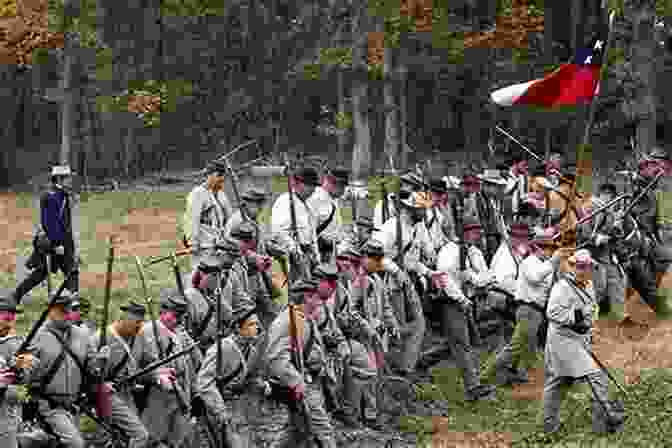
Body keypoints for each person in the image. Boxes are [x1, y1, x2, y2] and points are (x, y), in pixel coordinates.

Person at [542, 249, 626, 434]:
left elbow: (592, 308)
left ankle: (549, 427)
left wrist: (588, 328)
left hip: (578, 340)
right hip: (563, 341)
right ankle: (608, 419)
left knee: (559, 383)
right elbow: (552, 313)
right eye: (579, 267)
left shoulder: (588, 285)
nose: (583, 271)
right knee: (596, 377)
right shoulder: (562, 287)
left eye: (586, 267)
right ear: (571, 267)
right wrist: (577, 317)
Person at [483, 227, 566, 386]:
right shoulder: (529, 263)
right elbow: (535, 278)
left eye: (552, 249)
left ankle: (510, 375)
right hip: (526, 309)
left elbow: (549, 286)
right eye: (548, 248)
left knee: (523, 348)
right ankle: (484, 377)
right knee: (514, 348)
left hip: (536, 311)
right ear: (538, 248)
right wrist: (552, 262)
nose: (550, 252)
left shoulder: (544, 265)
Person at [27, 288, 107, 448]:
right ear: (50, 311)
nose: (66, 314)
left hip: (74, 405)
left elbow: (92, 368)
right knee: (76, 444)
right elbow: (25, 373)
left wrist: (100, 361)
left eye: (68, 309)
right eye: (61, 310)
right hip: (49, 405)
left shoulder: (83, 335)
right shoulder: (36, 337)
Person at [263, 279, 337, 448]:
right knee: (322, 429)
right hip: (300, 384)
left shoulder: (302, 318)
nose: (320, 300)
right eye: (316, 297)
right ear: (306, 297)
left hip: (309, 380)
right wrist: (297, 382)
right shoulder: (287, 321)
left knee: (295, 431)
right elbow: (276, 359)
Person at [433, 217, 498, 402]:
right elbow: (445, 279)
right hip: (452, 301)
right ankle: (473, 387)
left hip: (469, 300)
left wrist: (474, 279)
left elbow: (485, 276)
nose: (477, 236)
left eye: (478, 232)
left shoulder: (474, 252)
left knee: (459, 342)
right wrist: (461, 297)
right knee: (462, 344)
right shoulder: (449, 252)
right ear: (465, 232)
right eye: (474, 232)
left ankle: (423, 362)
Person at [371, 192, 432, 375]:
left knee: (418, 324)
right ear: (410, 209)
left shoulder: (416, 228)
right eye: (421, 209)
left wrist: (427, 272)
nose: (424, 213)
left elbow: (411, 260)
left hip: (409, 281)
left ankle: (406, 367)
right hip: (391, 283)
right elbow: (375, 255)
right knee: (398, 327)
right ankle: (392, 366)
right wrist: (395, 271)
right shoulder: (390, 228)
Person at [194, 304, 268, 447]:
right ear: (238, 328)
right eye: (251, 324)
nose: (256, 328)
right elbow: (204, 382)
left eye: (257, 324)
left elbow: (250, 377)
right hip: (216, 408)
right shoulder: (223, 348)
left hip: (237, 409)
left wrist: (261, 385)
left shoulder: (251, 350)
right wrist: (219, 410)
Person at [141, 291, 202, 448]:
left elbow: (188, 366)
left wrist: (195, 394)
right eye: (173, 315)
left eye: (180, 317)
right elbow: (149, 364)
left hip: (181, 395)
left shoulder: (180, 334)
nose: (177, 320)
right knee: (153, 439)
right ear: (163, 312)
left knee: (178, 441)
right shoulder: (149, 331)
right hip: (159, 397)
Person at [14, 165, 80, 303]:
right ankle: (16, 295)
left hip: (64, 242)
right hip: (57, 243)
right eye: (68, 178)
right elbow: (50, 223)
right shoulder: (50, 196)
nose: (70, 180)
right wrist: (57, 244)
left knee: (69, 271)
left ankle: (73, 300)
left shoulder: (63, 194)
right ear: (60, 179)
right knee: (47, 272)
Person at [92, 300, 153, 448]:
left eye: (141, 323)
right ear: (124, 319)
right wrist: (101, 384)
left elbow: (148, 360)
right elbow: (88, 371)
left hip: (126, 392)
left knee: (121, 437)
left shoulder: (138, 336)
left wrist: (159, 373)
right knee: (139, 435)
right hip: (106, 394)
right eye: (136, 323)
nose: (139, 328)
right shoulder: (100, 338)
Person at [270, 166, 322, 279]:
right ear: (298, 184)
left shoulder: (308, 205)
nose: (313, 189)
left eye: (314, 186)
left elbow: (311, 233)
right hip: (293, 256)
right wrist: (295, 250)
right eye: (309, 185)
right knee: (299, 291)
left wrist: (315, 256)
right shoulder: (284, 202)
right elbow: (279, 232)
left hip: (308, 255)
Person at [183, 160, 233, 272]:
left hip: (219, 246)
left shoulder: (221, 195)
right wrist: (193, 243)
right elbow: (192, 220)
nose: (221, 181)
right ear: (211, 175)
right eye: (218, 177)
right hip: (203, 247)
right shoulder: (198, 193)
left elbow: (229, 219)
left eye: (223, 178)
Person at [0, 289, 36, 448]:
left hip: (7, 417)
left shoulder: (17, 344)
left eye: (12, 319)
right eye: (6, 318)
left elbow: (24, 388)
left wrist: (22, 370)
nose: (10, 324)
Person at [589, 183, 627, 322]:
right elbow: (583, 229)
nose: (611, 200)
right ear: (604, 193)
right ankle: (589, 316)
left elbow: (614, 234)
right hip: (591, 252)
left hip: (606, 252)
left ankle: (620, 315)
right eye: (610, 196)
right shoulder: (590, 206)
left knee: (617, 280)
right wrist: (596, 238)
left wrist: (617, 223)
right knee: (599, 286)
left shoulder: (608, 210)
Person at [307, 167, 349, 262]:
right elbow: (309, 229)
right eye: (341, 187)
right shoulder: (316, 198)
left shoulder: (332, 197)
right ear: (331, 183)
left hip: (332, 250)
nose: (343, 191)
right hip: (320, 251)